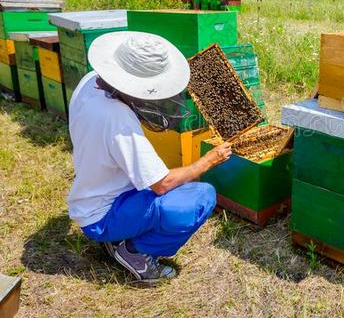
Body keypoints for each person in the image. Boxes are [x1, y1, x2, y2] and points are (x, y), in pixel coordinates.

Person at [67, 31, 232, 283]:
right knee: (200, 196)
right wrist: (208, 161)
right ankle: (136, 252)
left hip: (92, 198)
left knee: (177, 185)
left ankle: (119, 236)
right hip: (103, 215)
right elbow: (162, 183)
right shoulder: (116, 118)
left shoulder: (90, 82)